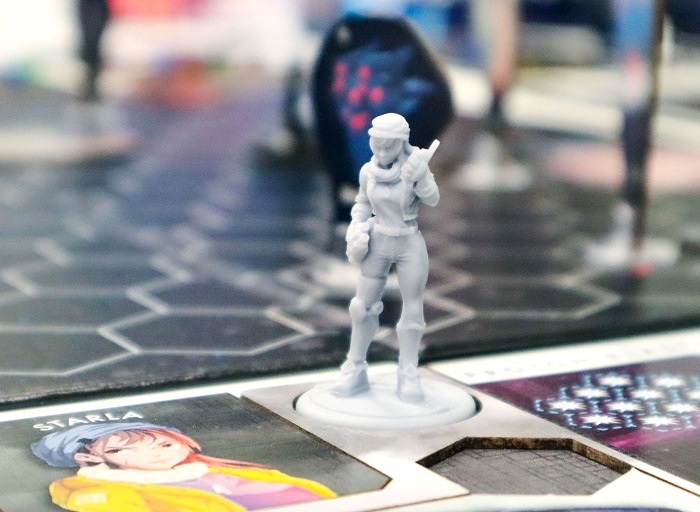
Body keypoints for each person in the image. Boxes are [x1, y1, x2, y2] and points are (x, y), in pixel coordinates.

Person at [338, 113, 439, 403]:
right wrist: (356, 227)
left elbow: (433, 199)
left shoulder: (414, 166)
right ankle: (355, 366)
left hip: (408, 241)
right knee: (362, 307)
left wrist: (421, 177)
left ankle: (408, 371)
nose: (382, 151)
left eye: (389, 145)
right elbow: (361, 203)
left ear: (402, 143)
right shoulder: (368, 172)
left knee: (412, 308)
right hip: (378, 238)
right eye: (377, 144)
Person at [31, 422, 336, 512]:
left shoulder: (214, 470)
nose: (155, 453)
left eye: (165, 444)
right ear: (89, 458)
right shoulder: (93, 490)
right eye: (123, 449)